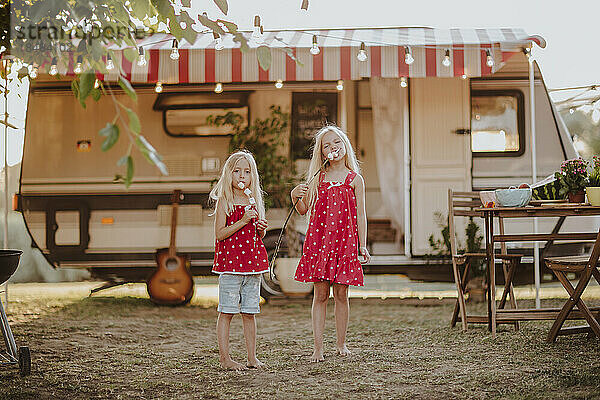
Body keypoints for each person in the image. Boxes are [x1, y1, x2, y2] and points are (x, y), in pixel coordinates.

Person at [290, 125, 371, 362]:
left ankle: (341, 343)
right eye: (327, 145)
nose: (333, 147)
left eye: (337, 142)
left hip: (345, 244)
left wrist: (362, 245)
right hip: (320, 244)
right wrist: (295, 195)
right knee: (321, 294)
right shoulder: (318, 179)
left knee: (342, 294)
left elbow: (361, 215)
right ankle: (318, 347)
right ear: (322, 153)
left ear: (345, 145)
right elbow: (304, 210)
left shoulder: (354, 179)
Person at [210, 150, 269, 370]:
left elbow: (256, 235)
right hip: (231, 266)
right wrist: (244, 220)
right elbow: (220, 233)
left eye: (247, 172)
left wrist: (260, 229)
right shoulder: (225, 201)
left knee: (250, 313)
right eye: (237, 171)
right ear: (229, 174)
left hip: (252, 266)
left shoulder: (253, 201)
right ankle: (225, 359)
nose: (242, 176)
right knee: (226, 312)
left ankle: (252, 357)